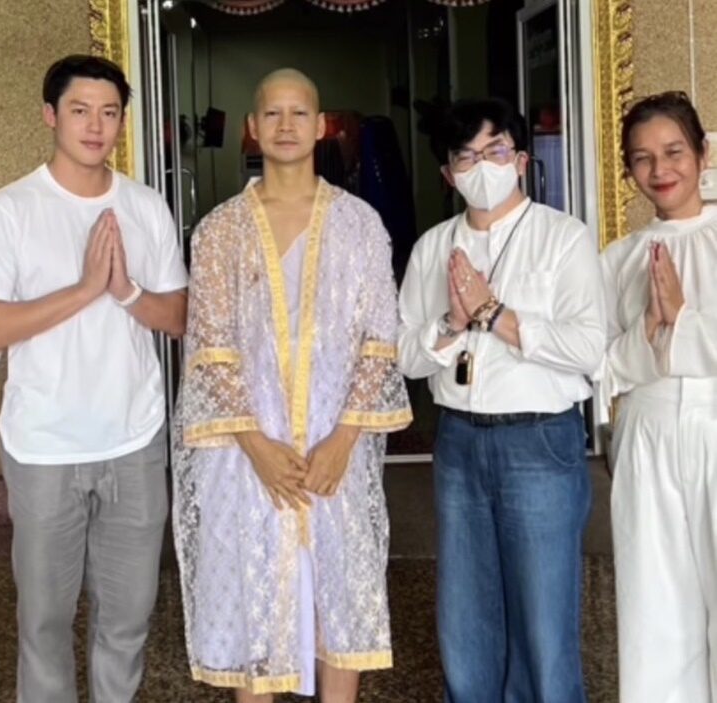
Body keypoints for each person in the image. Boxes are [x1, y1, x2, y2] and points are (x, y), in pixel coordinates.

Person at [172, 68, 412, 703]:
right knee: (253, 601)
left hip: (336, 449)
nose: (285, 125)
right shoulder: (220, 229)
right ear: (253, 127)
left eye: (298, 113)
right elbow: (211, 350)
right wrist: (257, 447)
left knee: (340, 592)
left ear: (321, 125)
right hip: (245, 455)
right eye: (272, 114)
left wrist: (343, 440)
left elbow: (379, 339)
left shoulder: (359, 223)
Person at [0, 55, 188, 702]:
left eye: (109, 112)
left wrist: (125, 290)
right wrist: (85, 288)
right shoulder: (11, 209)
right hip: (44, 447)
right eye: (80, 110)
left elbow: (177, 317)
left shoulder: (144, 205)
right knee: (44, 622)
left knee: (128, 618)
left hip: (133, 441)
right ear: (50, 115)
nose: (95, 125)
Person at [397, 98, 605, 702]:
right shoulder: (433, 247)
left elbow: (588, 347)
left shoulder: (562, 238)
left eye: (494, 151)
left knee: (544, 616)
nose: (481, 166)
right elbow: (404, 356)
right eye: (465, 157)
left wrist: (495, 314)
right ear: (448, 174)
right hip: (459, 441)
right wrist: (451, 323)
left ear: (519, 159)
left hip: (539, 440)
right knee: (466, 612)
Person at [600, 91, 717, 702]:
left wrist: (683, 320)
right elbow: (599, 365)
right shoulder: (619, 260)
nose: (660, 169)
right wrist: (648, 330)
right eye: (642, 158)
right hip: (646, 433)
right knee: (655, 603)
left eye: (674, 152)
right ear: (628, 170)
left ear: (702, 154)